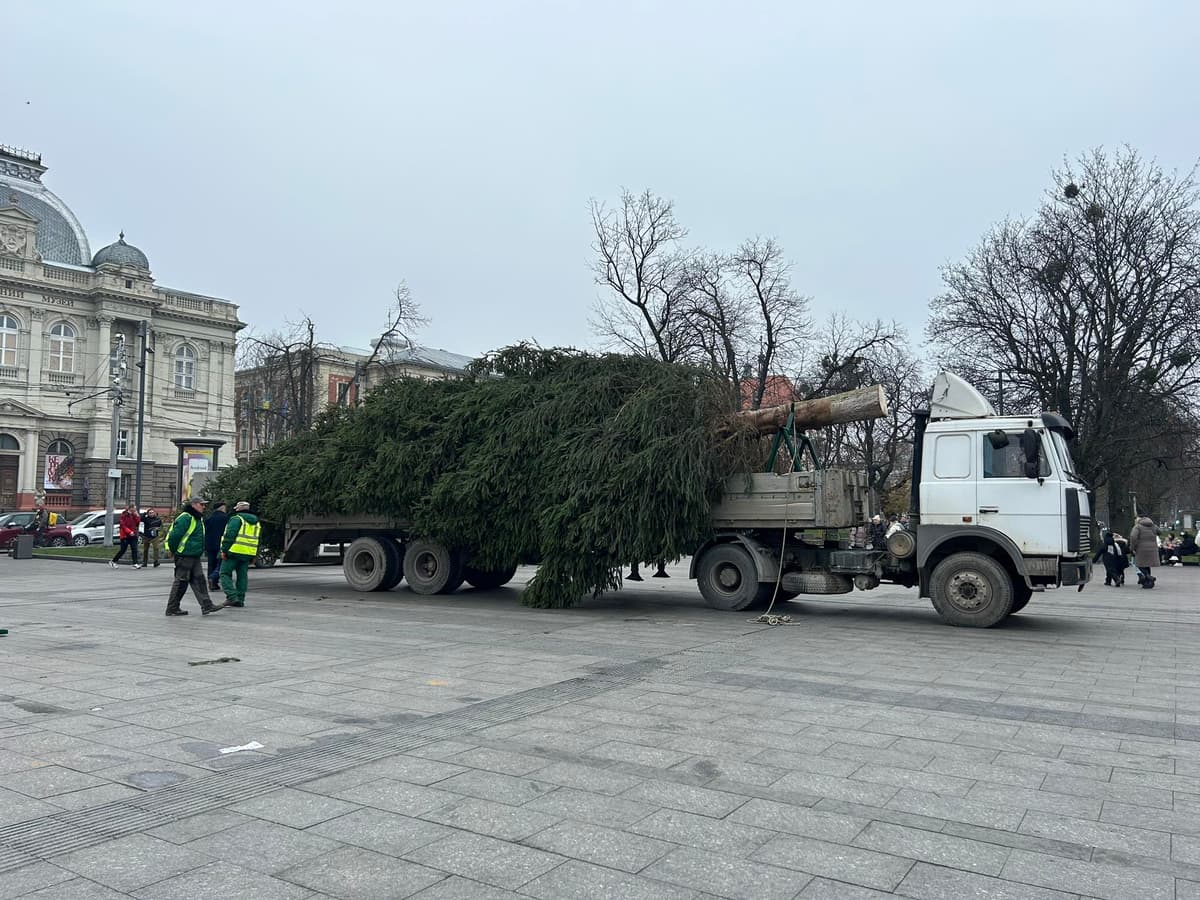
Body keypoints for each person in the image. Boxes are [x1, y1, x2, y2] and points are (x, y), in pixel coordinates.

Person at [164, 497, 224, 616]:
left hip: (193, 555)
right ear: (194, 505)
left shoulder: (196, 518)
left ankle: (206, 605)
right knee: (181, 582)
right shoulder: (186, 517)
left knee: (199, 580)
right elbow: (175, 536)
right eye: (202, 504)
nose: (204, 506)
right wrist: (173, 550)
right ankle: (172, 608)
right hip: (185, 555)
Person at [219, 500, 260, 607]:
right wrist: (254, 555)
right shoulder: (256, 522)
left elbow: (229, 536)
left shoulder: (236, 519)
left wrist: (224, 550)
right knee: (242, 576)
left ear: (238, 509)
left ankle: (232, 597)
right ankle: (240, 599)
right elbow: (258, 539)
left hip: (233, 551)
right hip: (247, 553)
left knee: (224, 573)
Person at [1128, 515, 1159, 589]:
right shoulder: (1153, 526)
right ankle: (1148, 582)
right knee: (1147, 564)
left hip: (1141, 548)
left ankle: (1149, 577)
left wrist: (1132, 547)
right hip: (1153, 548)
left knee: (1138, 564)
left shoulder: (1138, 527)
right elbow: (1159, 532)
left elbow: (1133, 537)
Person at [204, 501, 229, 590]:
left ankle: (212, 583)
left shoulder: (209, 518)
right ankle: (214, 578)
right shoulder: (226, 518)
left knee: (211, 564)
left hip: (210, 544)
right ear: (222, 508)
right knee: (220, 564)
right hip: (221, 544)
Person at [109, 503, 141, 569]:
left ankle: (135, 563)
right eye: (134, 508)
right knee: (123, 550)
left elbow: (137, 523)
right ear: (130, 508)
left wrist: (137, 516)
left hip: (133, 535)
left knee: (134, 549)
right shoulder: (124, 515)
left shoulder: (134, 515)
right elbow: (123, 525)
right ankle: (113, 561)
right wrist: (129, 532)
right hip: (125, 535)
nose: (135, 509)